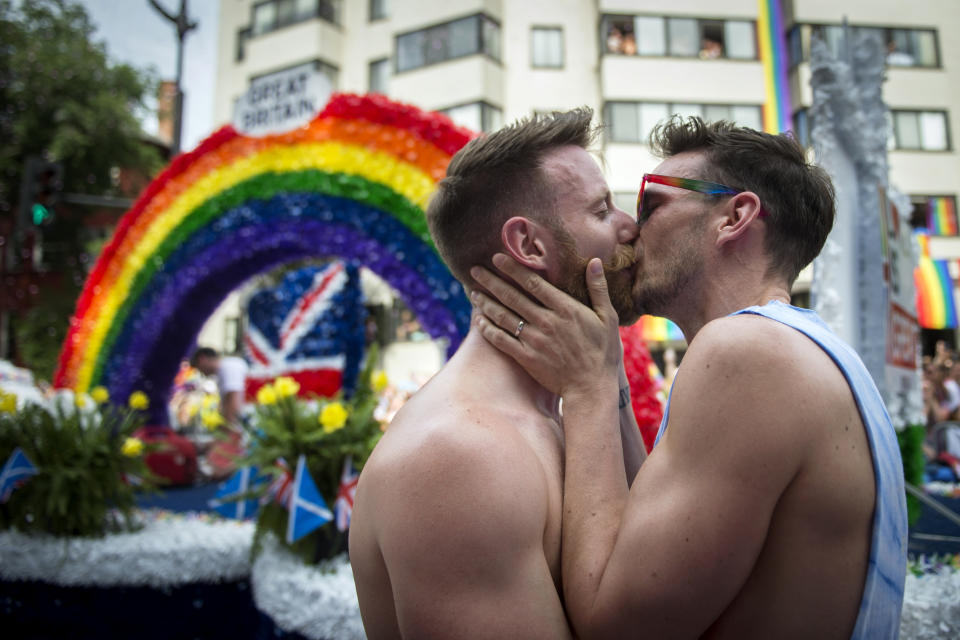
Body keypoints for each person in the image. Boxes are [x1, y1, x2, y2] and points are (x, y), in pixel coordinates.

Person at [471, 116, 908, 638]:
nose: (630, 229)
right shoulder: (807, 349)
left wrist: (586, 390)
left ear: (735, 216)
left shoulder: (748, 353)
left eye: (652, 205)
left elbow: (615, 626)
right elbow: (641, 532)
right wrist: (605, 379)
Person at [349, 108, 647, 638]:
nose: (629, 225)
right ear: (529, 246)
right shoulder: (461, 455)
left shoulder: (561, 405)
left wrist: (604, 376)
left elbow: (641, 551)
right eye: (602, 210)